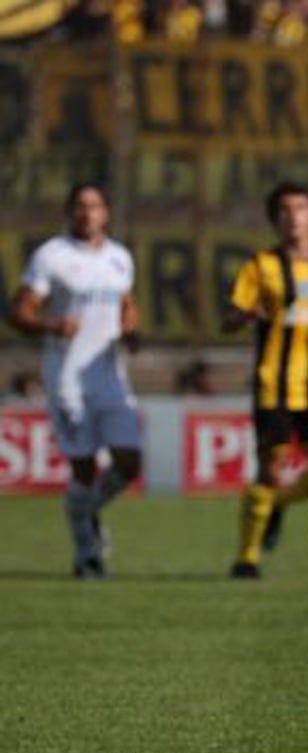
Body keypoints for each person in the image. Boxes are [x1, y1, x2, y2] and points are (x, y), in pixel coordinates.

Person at [9, 183, 142, 579]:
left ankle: (87, 513)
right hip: (67, 378)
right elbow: (19, 312)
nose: (88, 214)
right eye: (80, 207)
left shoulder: (120, 257)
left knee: (129, 463)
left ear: (106, 213)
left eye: (95, 206)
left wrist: (131, 330)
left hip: (111, 378)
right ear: (69, 212)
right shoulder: (51, 257)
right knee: (83, 469)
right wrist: (51, 323)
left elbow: (125, 303)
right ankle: (87, 552)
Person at [222, 182, 308, 580]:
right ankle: (247, 559)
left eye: (300, 208)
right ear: (275, 219)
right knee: (270, 470)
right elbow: (228, 320)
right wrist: (244, 316)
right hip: (272, 386)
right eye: (284, 210)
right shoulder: (259, 267)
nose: (293, 216)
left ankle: (278, 503)